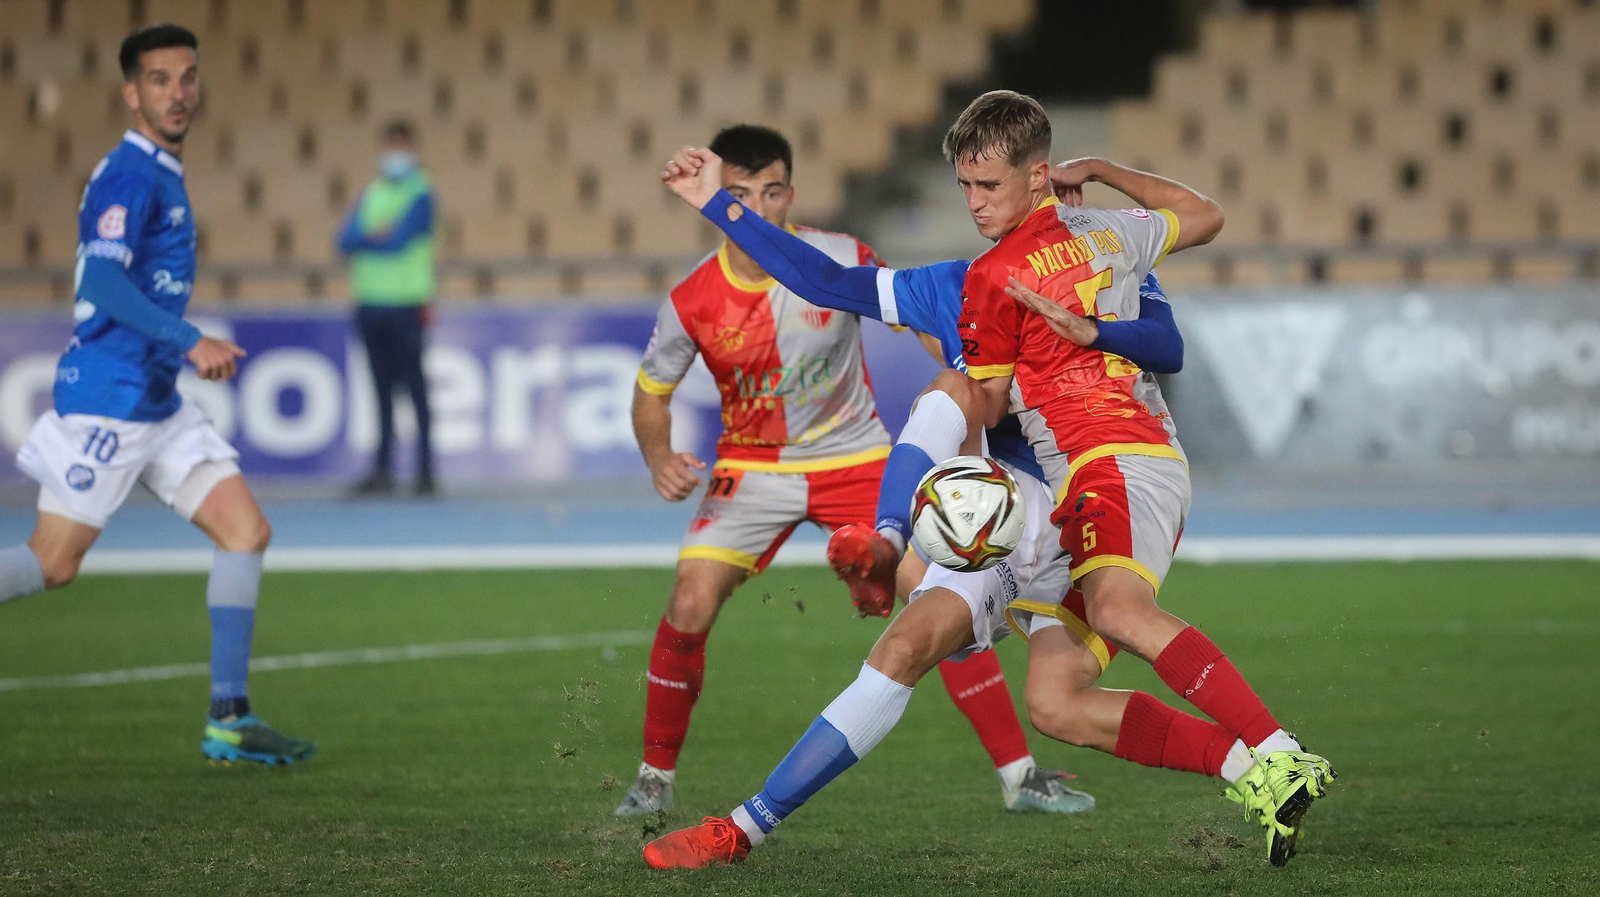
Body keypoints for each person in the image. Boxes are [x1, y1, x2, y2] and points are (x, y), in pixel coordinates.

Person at [644, 91, 1335, 870]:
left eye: (988, 188)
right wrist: (719, 208)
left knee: (958, 400)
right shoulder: (960, 283)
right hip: (1009, 501)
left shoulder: (1094, 247)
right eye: (965, 188)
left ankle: (889, 536)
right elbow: (823, 281)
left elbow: (1164, 343)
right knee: (1018, 689)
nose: (973, 204)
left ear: (1038, 178)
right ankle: (743, 828)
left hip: (1105, 474)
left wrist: (1089, 326)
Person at [618, 124, 1086, 818]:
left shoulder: (839, 255)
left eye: (772, 191)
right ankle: (653, 777)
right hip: (752, 467)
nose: (761, 206)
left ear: (790, 193)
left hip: (856, 455)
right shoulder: (691, 299)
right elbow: (651, 390)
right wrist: (659, 458)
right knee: (689, 601)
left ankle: (1020, 775)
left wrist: (971, 365)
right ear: (724, 199)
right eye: (742, 194)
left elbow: (925, 321)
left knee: (942, 598)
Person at [0, 23, 314, 765]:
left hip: (154, 400)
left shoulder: (162, 172)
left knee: (245, 530)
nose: (178, 93)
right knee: (53, 563)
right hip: (109, 395)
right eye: (161, 79)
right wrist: (188, 339)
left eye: (188, 77)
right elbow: (102, 282)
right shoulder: (130, 175)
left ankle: (229, 719)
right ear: (131, 93)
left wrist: (175, 351)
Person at [337, 120, 438, 496]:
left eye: (401, 147)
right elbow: (344, 240)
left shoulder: (422, 192)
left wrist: (372, 237)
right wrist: (374, 236)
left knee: (414, 388)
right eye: (390, 147)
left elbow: (398, 241)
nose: (395, 155)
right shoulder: (373, 192)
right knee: (380, 391)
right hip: (370, 304)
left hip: (407, 304)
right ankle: (383, 470)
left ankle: (425, 471)